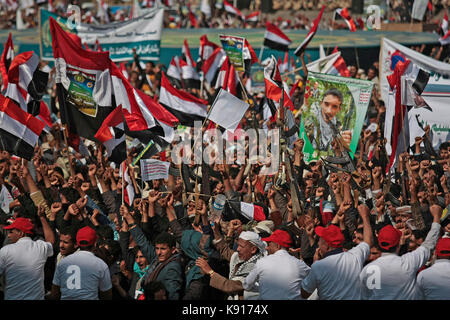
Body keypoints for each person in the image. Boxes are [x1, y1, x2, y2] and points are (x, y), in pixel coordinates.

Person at [359, 204, 443, 300]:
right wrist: (436, 217)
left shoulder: (368, 270)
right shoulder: (408, 262)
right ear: (399, 243)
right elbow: (429, 244)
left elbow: (363, 296)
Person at [301, 203, 372, 300]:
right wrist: (365, 217)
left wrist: (314, 263)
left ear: (326, 246)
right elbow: (368, 242)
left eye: (320, 240)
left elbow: (304, 293)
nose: (318, 244)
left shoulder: (318, 266)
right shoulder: (354, 256)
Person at [195, 230, 267, 300]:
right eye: (238, 245)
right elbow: (225, 251)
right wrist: (216, 232)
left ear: (253, 249)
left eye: (241, 246)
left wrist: (210, 272)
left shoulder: (255, 267)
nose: (238, 249)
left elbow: (231, 286)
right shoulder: (243, 257)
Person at [242, 229, 310, 300]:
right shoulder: (300, 265)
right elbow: (314, 279)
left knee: (248, 293)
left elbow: (246, 285)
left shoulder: (262, 262)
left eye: (269, 244)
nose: (267, 247)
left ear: (277, 246)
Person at [0, 212, 54, 300]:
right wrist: (42, 218)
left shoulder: (5, 251)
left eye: (11, 232)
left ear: (21, 233)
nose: (8, 235)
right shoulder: (40, 247)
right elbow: (51, 241)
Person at [48, 226, 112, 300]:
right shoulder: (101, 264)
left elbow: (55, 293)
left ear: (77, 243)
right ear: (95, 244)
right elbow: (107, 295)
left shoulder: (63, 263)